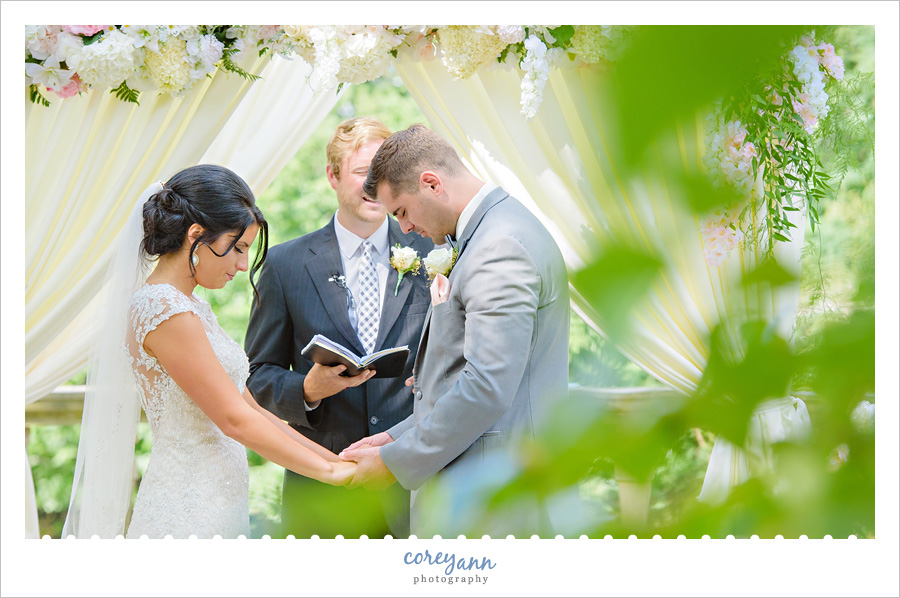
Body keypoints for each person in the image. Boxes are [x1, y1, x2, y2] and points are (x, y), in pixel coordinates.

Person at [62, 165, 356, 539]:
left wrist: (338, 461)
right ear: (196, 235)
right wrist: (334, 476)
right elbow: (233, 419)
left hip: (218, 501)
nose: (243, 264)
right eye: (238, 247)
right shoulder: (165, 310)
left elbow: (252, 407)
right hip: (188, 510)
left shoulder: (191, 306)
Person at [340, 124, 570, 537]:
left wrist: (396, 462)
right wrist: (395, 437)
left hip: (490, 498)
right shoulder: (491, 231)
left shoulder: (499, 247)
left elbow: (487, 385)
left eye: (402, 212)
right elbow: (459, 375)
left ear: (431, 184)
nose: (405, 229)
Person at [245, 118, 433, 538]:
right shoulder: (285, 265)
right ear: (331, 175)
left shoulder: (435, 253)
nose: (376, 185)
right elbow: (256, 378)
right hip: (322, 489)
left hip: (415, 483)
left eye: (386, 173)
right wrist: (307, 391)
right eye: (364, 172)